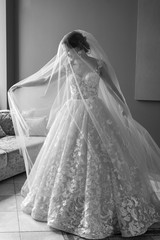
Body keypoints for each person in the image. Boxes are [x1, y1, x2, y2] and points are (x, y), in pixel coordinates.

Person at [8, 30, 160, 239]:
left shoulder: (99, 65)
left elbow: (112, 88)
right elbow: (45, 80)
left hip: (97, 114)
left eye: (68, 51)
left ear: (79, 48)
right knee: (68, 159)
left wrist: (123, 106)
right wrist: (21, 85)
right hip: (72, 114)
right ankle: (66, 206)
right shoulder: (68, 64)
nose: (66, 55)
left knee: (104, 159)